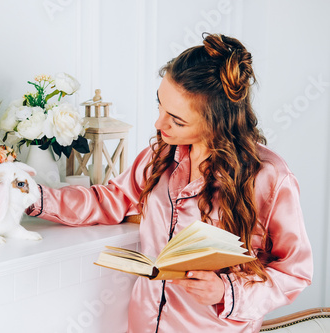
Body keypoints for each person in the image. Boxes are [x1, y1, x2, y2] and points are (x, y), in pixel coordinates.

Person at [26, 33, 313, 333]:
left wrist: (227, 291)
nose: (158, 124)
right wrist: (33, 196)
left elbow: (295, 272)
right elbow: (109, 200)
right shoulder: (160, 156)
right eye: (160, 105)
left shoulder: (270, 179)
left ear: (216, 122)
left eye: (176, 120)